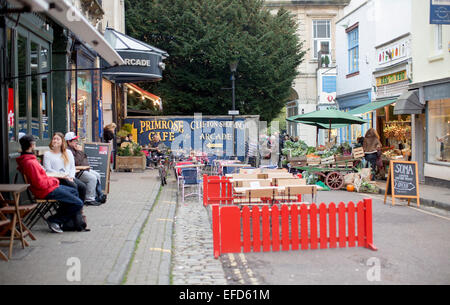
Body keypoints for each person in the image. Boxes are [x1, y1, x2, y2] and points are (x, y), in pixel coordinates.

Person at [16, 135, 84, 233]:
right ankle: (55, 220)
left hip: (47, 188)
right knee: (78, 202)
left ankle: (69, 223)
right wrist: (55, 181)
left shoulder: (30, 159)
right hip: (45, 191)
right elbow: (40, 183)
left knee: (74, 190)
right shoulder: (30, 162)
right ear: (32, 145)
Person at [43, 132, 87, 204]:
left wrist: (71, 177)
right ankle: (72, 208)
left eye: (58, 139)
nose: (55, 141)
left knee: (83, 187)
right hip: (57, 178)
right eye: (54, 139)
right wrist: (62, 176)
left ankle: (79, 208)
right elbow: (48, 169)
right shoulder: (47, 154)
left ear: (62, 141)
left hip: (68, 177)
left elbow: (72, 167)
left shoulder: (68, 152)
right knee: (73, 186)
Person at [65, 132, 107, 206]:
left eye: (76, 140)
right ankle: (89, 199)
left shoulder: (74, 149)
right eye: (74, 141)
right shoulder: (68, 151)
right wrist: (79, 151)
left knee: (97, 175)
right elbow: (77, 162)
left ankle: (98, 195)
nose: (76, 142)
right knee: (92, 178)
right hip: (77, 171)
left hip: (83, 169)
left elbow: (83, 158)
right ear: (68, 142)